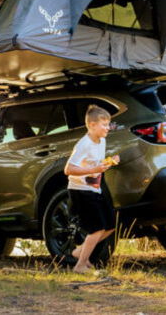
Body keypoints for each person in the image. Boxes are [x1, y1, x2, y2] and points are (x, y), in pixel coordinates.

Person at [64, 105, 120, 273]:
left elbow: (96, 165)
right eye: (104, 125)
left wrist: (109, 163)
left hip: (94, 189)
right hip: (80, 190)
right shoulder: (84, 144)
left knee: (110, 224)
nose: (108, 128)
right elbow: (68, 169)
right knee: (96, 228)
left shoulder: (102, 140)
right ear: (92, 125)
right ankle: (80, 265)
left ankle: (80, 252)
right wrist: (93, 170)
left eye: (108, 124)